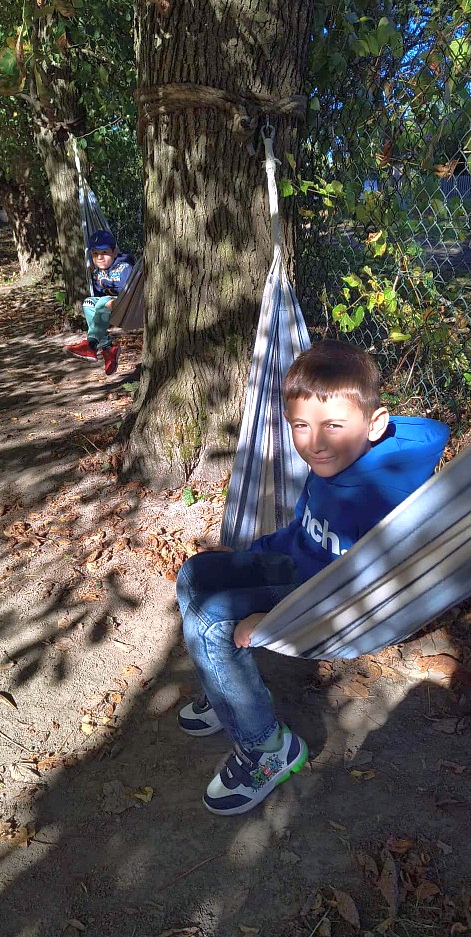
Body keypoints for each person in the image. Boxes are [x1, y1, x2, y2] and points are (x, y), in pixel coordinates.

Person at [175, 339, 450, 815]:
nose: (315, 442)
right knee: (196, 573)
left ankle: (267, 748)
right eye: (301, 426)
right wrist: (250, 557)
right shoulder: (336, 460)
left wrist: (277, 618)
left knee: (213, 621)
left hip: (330, 605)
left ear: (375, 424)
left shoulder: (384, 498)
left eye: (332, 426)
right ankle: (230, 695)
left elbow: (369, 591)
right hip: (301, 574)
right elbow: (303, 532)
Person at [65, 230, 135, 376]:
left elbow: (125, 287)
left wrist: (104, 281)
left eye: (104, 252)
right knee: (88, 302)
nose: (99, 257)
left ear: (114, 252)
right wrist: (96, 277)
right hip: (108, 305)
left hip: (126, 302)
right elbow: (98, 294)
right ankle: (108, 348)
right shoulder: (97, 271)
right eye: (95, 254)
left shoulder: (124, 266)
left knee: (103, 301)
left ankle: (91, 345)